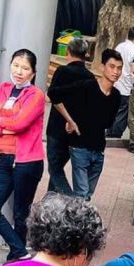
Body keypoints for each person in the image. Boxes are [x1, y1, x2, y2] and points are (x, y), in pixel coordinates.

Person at [0, 49, 47, 262]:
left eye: (25, 68)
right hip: (5, 159)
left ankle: (17, 256)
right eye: (16, 66)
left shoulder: (36, 95)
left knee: (20, 213)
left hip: (27, 162)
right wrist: (3, 128)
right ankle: (20, 250)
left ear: (33, 72)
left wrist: (1, 122)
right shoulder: (3, 89)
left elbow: (20, 123)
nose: (19, 71)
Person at [48, 49, 123, 199]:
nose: (115, 71)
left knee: (87, 195)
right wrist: (70, 120)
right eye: (112, 66)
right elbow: (54, 94)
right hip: (80, 147)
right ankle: (71, 202)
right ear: (102, 67)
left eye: (119, 68)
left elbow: (108, 123)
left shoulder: (116, 96)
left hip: (99, 150)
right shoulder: (87, 86)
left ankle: (72, 207)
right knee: (81, 194)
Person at [45, 38, 93, 195]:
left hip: (56, 129)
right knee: (58, 167)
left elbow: (52, 96)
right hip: (76, 132)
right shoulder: (90, 77)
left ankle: (71, 198)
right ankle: (51, 199)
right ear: (85, 54)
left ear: (68, 52)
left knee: (54, 168)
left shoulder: (62, 71)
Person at [107, 24, 134, 138]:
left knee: (113, 110)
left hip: (115, 83)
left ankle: (109, 132)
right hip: (126, 87)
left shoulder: (119, 46)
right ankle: (115, 135)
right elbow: (133, 70)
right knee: (122, 113)